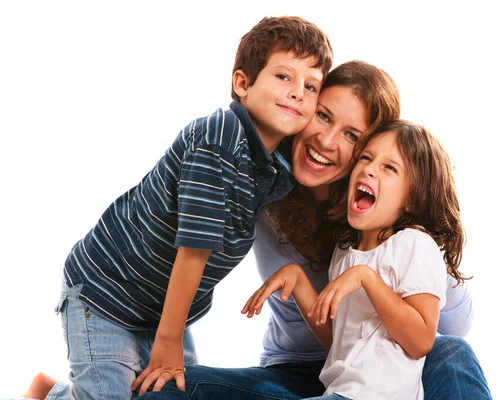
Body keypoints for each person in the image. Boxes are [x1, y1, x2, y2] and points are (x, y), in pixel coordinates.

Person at [132, 62, 494, 400]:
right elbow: (336, 337)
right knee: (165, 388)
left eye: (352, 135)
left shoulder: (396, 231)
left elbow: (447, 329)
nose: (326, 140)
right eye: (322, 116)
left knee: (452, 349)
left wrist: (421, 243)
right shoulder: (265, 190)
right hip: (300, 376)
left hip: (385, 376)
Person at [23, 15, 333, 400]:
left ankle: (55, 391)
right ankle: (50, 395)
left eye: (311, 85)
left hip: (161, 305)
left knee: (172, 395)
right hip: (107, 295)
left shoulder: (273, 165)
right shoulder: (219, 137)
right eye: (284, 77)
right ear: (242, 83)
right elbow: (194, 246)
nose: (298, 92)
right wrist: (169, 342)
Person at [242, 119, 464, 399]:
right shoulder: (345, 250)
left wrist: (367, 278)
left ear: (414, 199)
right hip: (339, 392)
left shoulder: (414, 242)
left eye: (389, 168)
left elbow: (420, 341)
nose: (369, 169)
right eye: (366, 159)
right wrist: (298, 281)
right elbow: (340, 343)